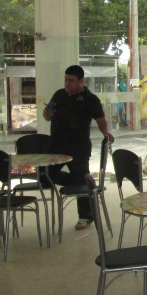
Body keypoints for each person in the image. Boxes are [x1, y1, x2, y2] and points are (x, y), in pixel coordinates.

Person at [43, 65, 113, 230]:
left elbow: (100, 119)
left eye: (71, 80)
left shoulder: (90, 99)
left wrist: (106, 134)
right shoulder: (59, 95)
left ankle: (85, 216)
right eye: (66, 80)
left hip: (78, 148)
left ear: (81, 81)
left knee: (81, 180)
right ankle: (77, 182)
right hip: (56, 147)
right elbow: (46, 114)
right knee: (44, 175)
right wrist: (47, 113)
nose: (67, 83)